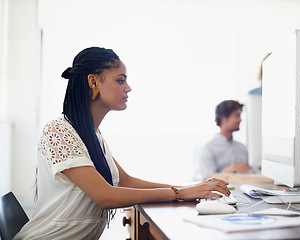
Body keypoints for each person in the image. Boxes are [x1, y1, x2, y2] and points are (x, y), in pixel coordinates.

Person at [14, 47, 230, 239]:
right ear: (93, 82)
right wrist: (180, 193)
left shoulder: (93, 135)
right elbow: (105, 196)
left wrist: (188, 188)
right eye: (120, 80)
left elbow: (125, 181)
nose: (128, 88)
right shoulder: (59, 131)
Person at [195, 100, 250, 181]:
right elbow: (206, 179)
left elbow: (249, 172)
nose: (240, 120)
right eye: (237, 115)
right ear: (223, 119)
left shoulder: (242, 148)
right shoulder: (208, 149)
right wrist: (227, 172)